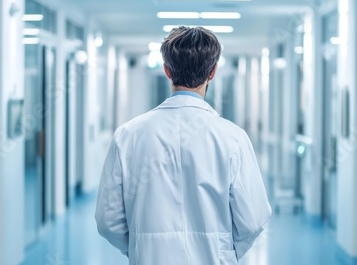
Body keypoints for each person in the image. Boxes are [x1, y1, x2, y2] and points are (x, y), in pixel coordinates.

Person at [95, 26, 271, 265]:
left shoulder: (127, 136)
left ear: (167, 70)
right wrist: (223, 251)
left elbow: (108, 221)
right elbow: (253, 220)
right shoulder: (233, 138)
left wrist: (141, 246)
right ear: (213, 72)